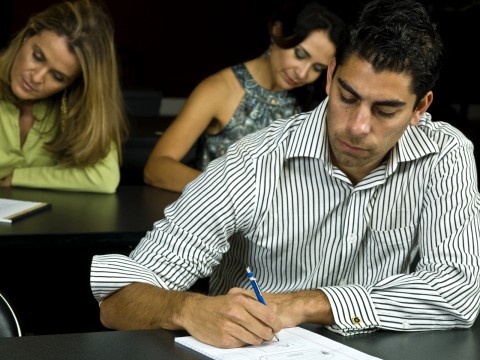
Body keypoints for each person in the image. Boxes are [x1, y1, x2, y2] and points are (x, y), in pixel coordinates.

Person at [91, 0, 480, 349]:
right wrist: (188, 308)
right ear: (329, 78)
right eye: (347, 97)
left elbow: (459, 290)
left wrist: (304, 304)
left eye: (385, 110)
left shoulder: (446, 154)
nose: (358, 126)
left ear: (420, 108)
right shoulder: (253, 160)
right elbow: (119, 301)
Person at [143, 0, 345, 192]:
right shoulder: (219, 89)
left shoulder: (312, 102)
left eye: (317, 68)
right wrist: (234, 191)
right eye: (300, 54)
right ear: (277, 31)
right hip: (216, 218)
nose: (302, 73)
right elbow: (156, 168)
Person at [0, 0, 128, 193]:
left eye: (58, 76)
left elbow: (104, 178)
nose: (36, 77)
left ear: (74, 83)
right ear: (28, 33)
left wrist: (17, 177)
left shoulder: (71, 107)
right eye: (37, 56)